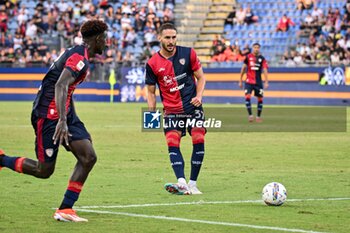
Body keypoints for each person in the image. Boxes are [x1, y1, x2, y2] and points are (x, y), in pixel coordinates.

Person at [0, 19, 108, 222]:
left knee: (88, 156)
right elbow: (60, 85)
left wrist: (72, 119)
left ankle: (65, 209)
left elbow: (68, 89)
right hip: (48, 115)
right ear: (99, 38)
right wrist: (62, 121)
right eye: (106, 38)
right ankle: (2, 160)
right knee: (44, 170)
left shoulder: (79, 53)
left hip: (62, 113)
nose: (107, 43)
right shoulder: (79, 57)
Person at [146, 23, 206, 195]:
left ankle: (193, 184)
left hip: (193, 107)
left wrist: (199, 96)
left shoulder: (188, 53)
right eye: (167, 38)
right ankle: (181, 183)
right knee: (173, 143)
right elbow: (151, 92)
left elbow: (201, 78)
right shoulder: (152, 63)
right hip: (172, 111)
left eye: (173, 37)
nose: (171, 41)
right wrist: (152, 114)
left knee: (198, 139)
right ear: (159, 38)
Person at [239, 43, 269, 122]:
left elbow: (265, 70)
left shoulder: (262, 58)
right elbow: (243, 69)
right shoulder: (248, 57)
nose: (256, 49)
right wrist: (240, 80)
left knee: (260, 99)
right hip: (248, 82)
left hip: (258, 82)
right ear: (252, 48)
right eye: (255, 47)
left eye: (257, 47)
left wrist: (266, 81)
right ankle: (250, 115)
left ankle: (258, 117)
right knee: (247, 97)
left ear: (259, 49)